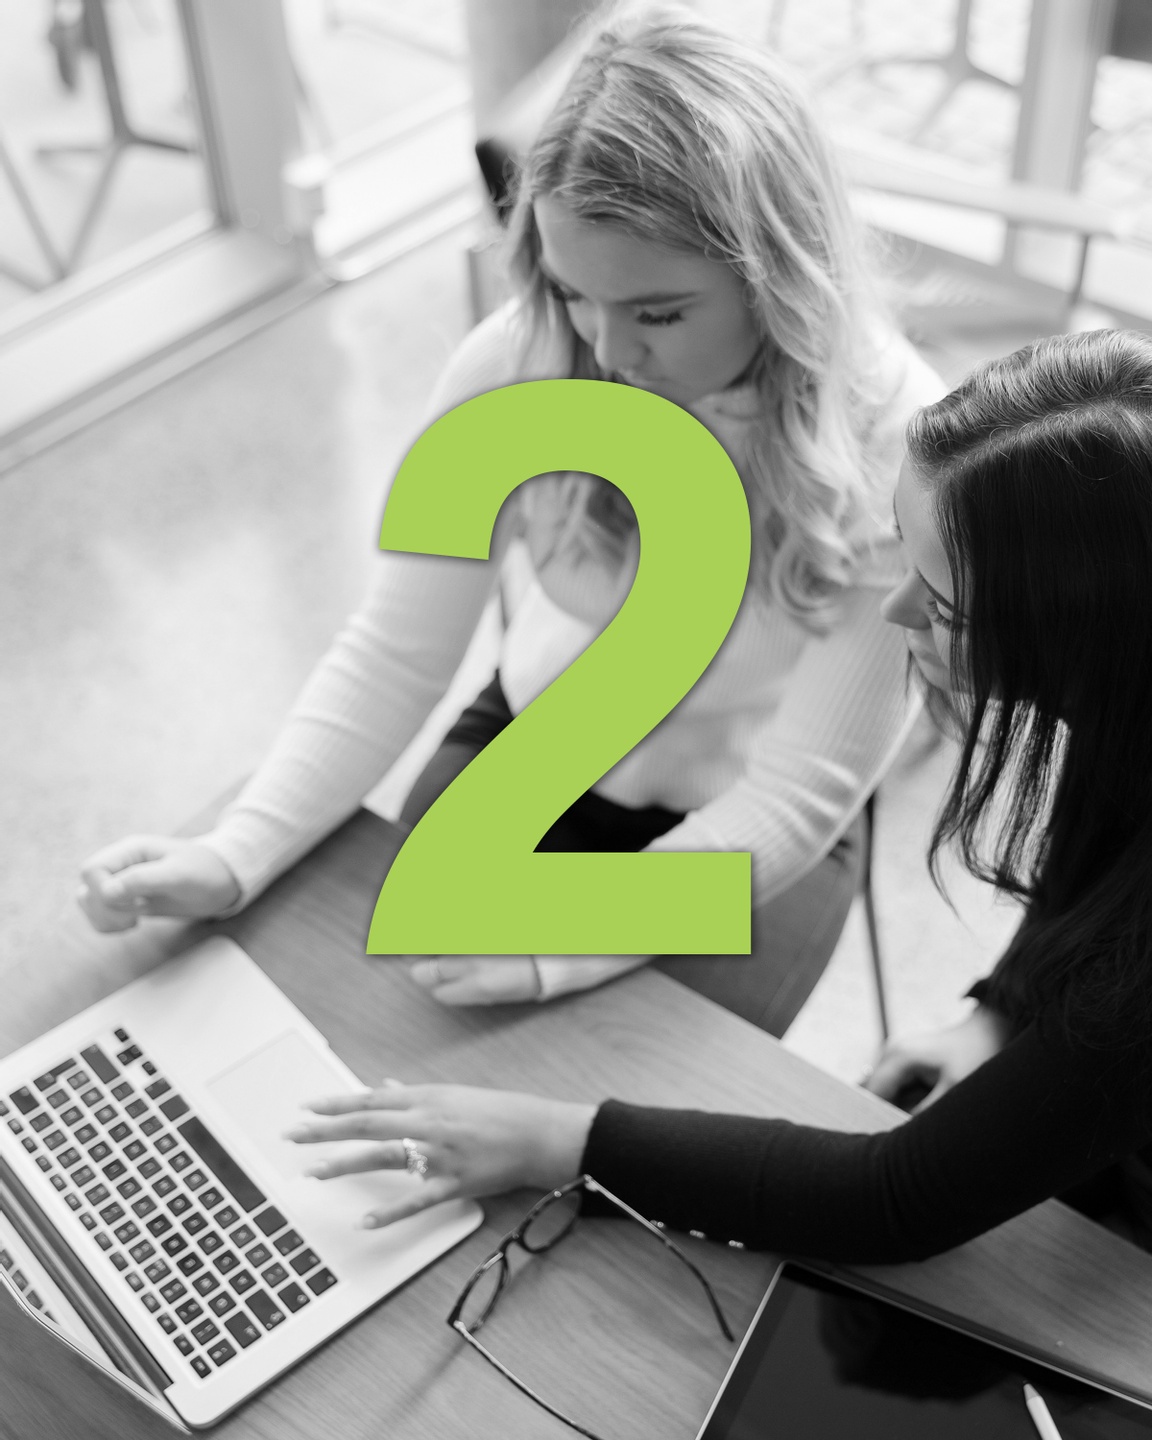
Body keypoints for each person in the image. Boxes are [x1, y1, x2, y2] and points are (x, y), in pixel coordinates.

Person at [76, 3, 942, 1034]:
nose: (608, 353)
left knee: (629, 1105)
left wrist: (561, 943)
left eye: (659, 313)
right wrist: (235, 851)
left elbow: (797, 797)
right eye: (574, 293)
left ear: (781, 276)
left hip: (754, 813)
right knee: (367, 1019)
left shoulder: (902, 446)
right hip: (537, 741)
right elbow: (395, 651)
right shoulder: (515, 360)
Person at [285, 328, 1152, 1261]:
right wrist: (1001, 1008)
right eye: (904, 555)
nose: (895, 612)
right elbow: (1093, 868)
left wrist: (556, 1142)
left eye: (943, 606)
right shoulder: (1124, 696)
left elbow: (893, 1199)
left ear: (1088, 625)